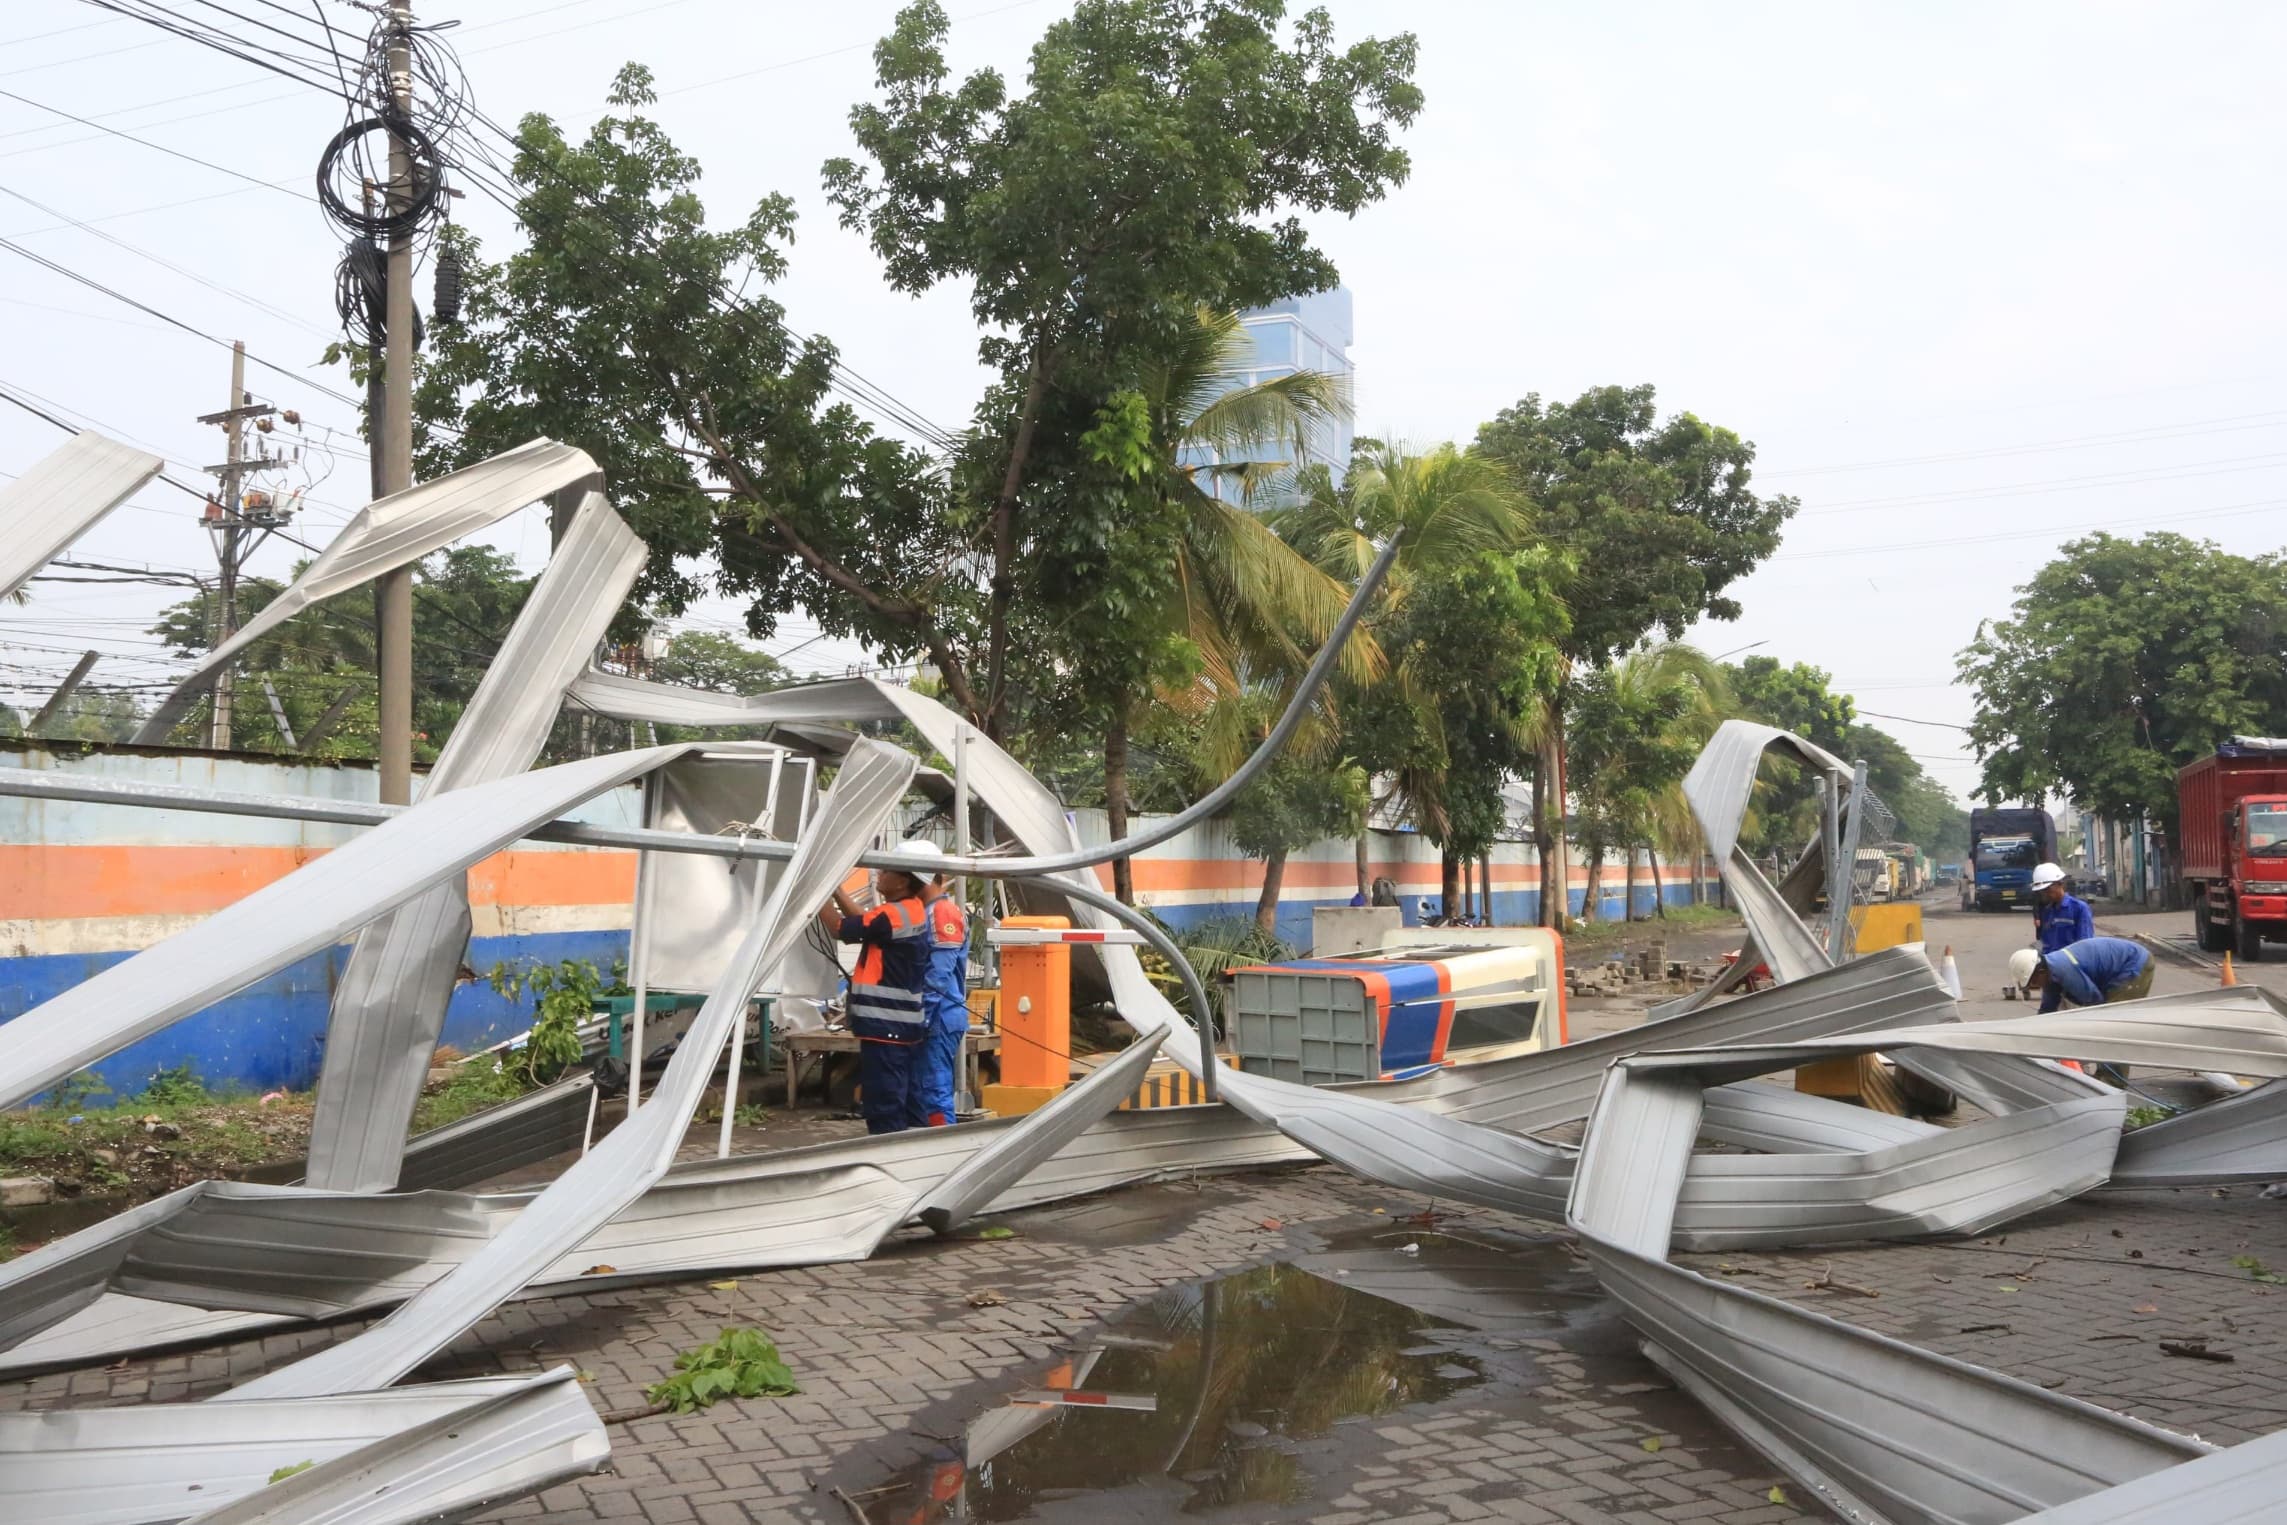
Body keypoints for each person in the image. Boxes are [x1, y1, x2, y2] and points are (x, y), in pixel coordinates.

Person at [819, 854, 932, 1134]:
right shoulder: (909, 909)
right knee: (909, 1100)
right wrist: (836, 891)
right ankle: (916, 1154)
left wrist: (815, 893)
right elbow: (867, 921)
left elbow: (840, 928)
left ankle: (889, 1155)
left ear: (903, 881)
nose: (879, 874)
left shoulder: (892, 915)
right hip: (902, 1027)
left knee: (885, 1103)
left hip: (885, 1028)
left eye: (885, 871)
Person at [904, 841, 968, 1129]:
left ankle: (944, 1149)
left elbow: (938, 974)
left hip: (939, 1015)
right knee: (922, 1089)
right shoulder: (929, 910)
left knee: (934, 1090)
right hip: (937, 1014)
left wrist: (922, 1016)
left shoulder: (941, 912)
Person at [2011, 936, 2155, 1015]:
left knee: (2111, 1022)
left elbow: (2095, 1003)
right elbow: (2047, 1010)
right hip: (2114, 969)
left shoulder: (2065, 971)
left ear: (2039, 971)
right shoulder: (2049, 973)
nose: (2035, 988)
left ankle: (2108, 1070)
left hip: (2134, 963)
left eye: (2033, 983)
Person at [2029, 862, 2092, 956]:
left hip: (2072, 965)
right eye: (2041, 891)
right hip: (2052, 965)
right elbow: (2046, 943)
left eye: (2047, 889)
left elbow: (2085, 945)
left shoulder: (2079, 908)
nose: (2044, 894)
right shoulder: (2047, 911)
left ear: (2060, 884)